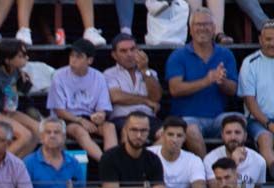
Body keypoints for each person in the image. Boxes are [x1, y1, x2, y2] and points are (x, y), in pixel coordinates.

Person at [167, 9, 238, 157]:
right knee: (190, 129)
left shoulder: (225, 54)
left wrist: (221, 81)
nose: (203, 28)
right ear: (190, 29)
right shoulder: (178, 56)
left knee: (238, 122)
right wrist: (207, 80)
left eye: (207, 24)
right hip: (189, 117)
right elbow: (175, 89)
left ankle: (235, 172)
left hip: (218, 117)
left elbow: (233, 90)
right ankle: (206, 172)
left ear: (213, 29)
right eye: (198, 24)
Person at [47, 38, 117, 162]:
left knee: (109, 127)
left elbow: (102, 107)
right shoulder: (59, 75)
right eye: (72, 56)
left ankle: (113, 161)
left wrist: (100, 115)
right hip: (66, 119)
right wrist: (79, 120)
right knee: (79, 131)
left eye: (79, 57)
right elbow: (59, 110)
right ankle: (106, 163)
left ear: (89, 60)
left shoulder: (98, 77)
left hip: (89, 118)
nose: (73, 60)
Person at [147, 117, 207, 188]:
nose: (174, 139)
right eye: (170, 134)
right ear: (163, 135)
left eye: (179, 136)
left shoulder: (193, 160)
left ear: (184, 138)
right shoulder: (149, 155)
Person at [104, 33, 160, 133]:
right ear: (114, 55)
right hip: (122, 118)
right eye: (123, 51)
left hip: (148, 118)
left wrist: (144, 70)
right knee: (129, 132)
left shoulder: (150, 73)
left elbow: (156, 97)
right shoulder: (109, 74)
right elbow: (116, 97)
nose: (129, 54)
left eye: (132, 49)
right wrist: (145, 101)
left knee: (165, 135)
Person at [239, 22, 274, 174]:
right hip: (259, 120)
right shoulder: (250, 63)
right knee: (265, 138)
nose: (272, 43)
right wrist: (269, 124)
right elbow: (250, 101)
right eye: (268, 39)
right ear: (260, 40)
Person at [202, 115, 266, 188]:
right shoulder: (210, 159)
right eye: (228, 133)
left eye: (237, 132)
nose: (233, 137)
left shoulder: (259, 161)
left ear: (245, 136)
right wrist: (233, 162)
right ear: (222, 135)